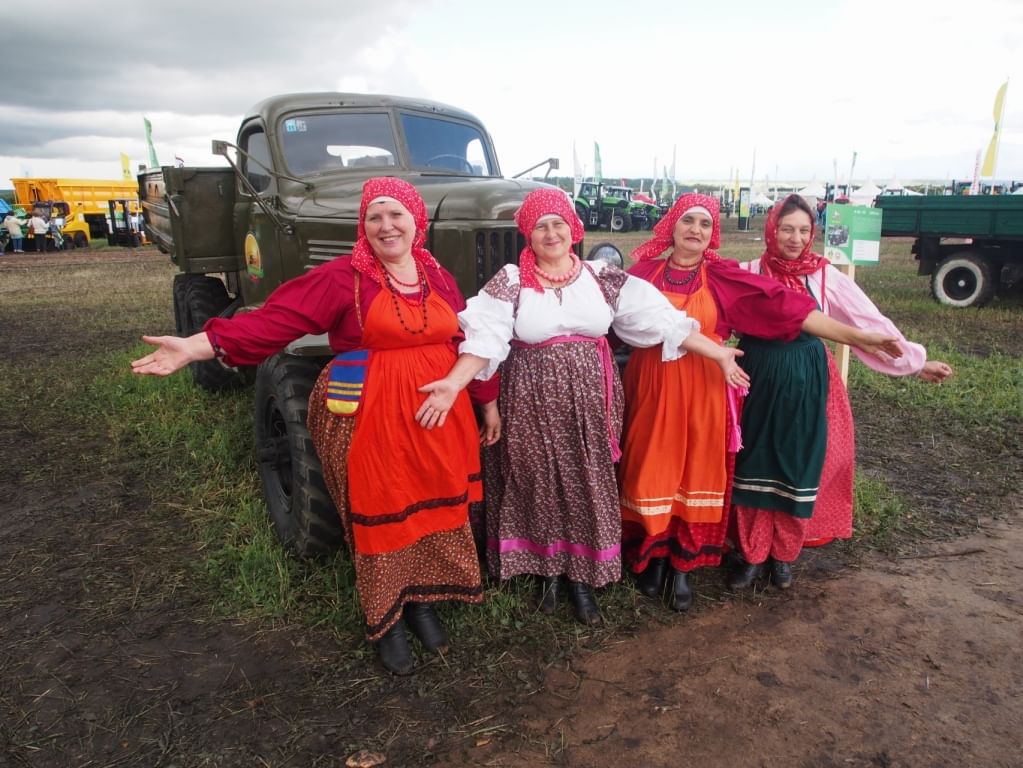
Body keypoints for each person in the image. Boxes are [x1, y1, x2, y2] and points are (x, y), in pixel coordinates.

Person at [131, 177, 500, 676]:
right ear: (363, 225)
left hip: (438, 414)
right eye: (374, 216)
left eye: (396, 215)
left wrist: (484, 399)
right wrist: (198, 346)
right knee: (383, 507)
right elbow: (274, 321)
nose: (386, 226)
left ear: (416, 220)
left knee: (431, 504)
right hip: (373, 415)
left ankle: (421, 601)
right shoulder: (343, 278)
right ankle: (388, 618)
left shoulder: (437, 276)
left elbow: (466, 342)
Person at [414, 187, 748, 626]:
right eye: (540, 226)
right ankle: (547, 571)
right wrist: (454, 384)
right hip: (530, 398)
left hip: (590, 399)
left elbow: (662, 320)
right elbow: (485, 337)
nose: (551, 233)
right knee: (537, 478)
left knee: (586, 477)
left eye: (558, 223)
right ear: (528, 235)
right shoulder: (511, 281)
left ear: (573, 229)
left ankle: (582, 578)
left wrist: (718, 353)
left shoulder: (601, 276)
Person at [621, 193, 905, 612]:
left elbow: (787, 308)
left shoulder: (724, 276)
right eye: (688, 221)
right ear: (672, 225)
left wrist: (859, 337)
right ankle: (654, 556)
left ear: (713, 234)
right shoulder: (642, 274)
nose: (696, 230)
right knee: (649, 468)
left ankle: (683, 564)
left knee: (697, 471)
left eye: (705, 223)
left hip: (704, 385)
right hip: (651, 384)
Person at [728, 193, 953, 590]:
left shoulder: (824, 276)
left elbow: (868, 323)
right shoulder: (749, 271)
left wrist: (915, 363)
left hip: (807, 378)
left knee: (798, 463)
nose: (795, 238)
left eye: (803, 230)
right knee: (754, 462)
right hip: (755, 375)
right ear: (772, 230)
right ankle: (752, 554)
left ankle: (783, 555)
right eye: (787, 229)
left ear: (812, 233)